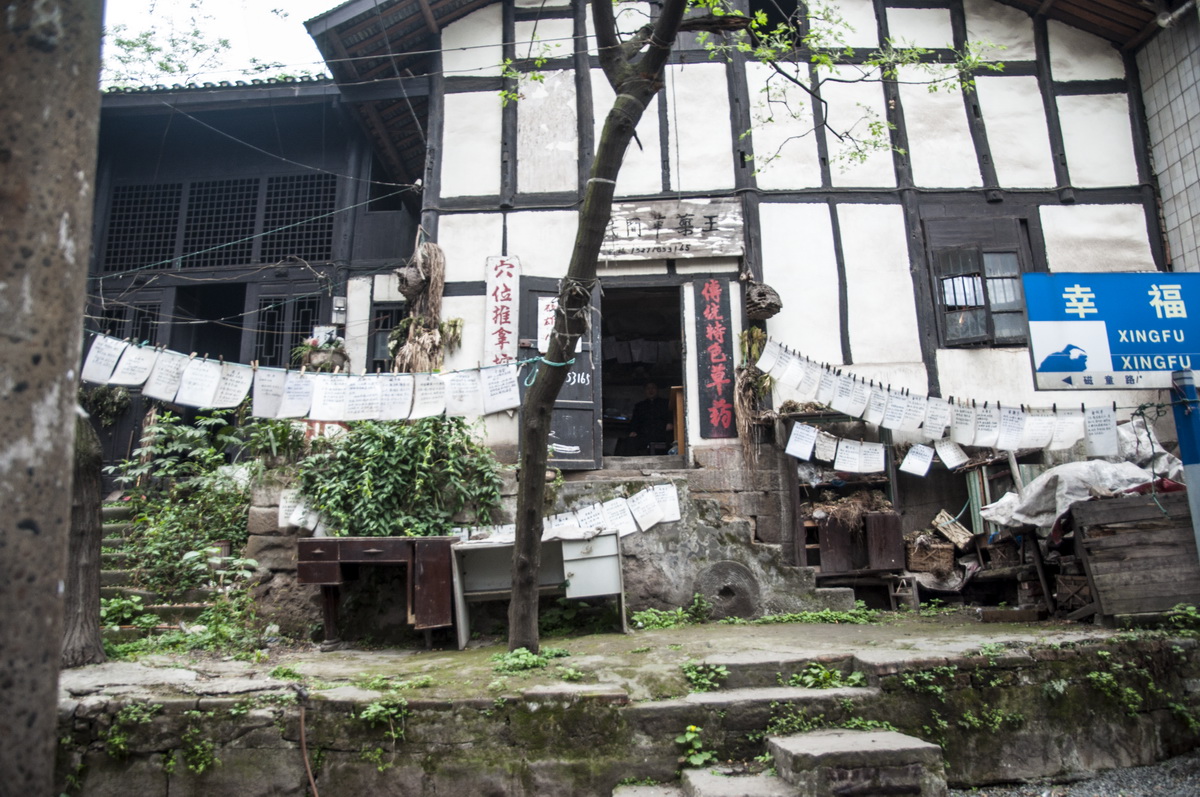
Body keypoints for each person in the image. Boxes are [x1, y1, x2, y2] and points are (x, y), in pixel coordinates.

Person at [622, 382, 673, 455]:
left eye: (653, 388)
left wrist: (670, 423)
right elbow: (635, 421)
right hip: (644, 435)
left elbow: (672, 416)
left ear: (657, 390)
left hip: (662, 434)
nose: (650, 390)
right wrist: (633, 430)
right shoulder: (640, 406)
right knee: (630, 441)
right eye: (648, 388)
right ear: (645, 391)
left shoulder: (666, 403)